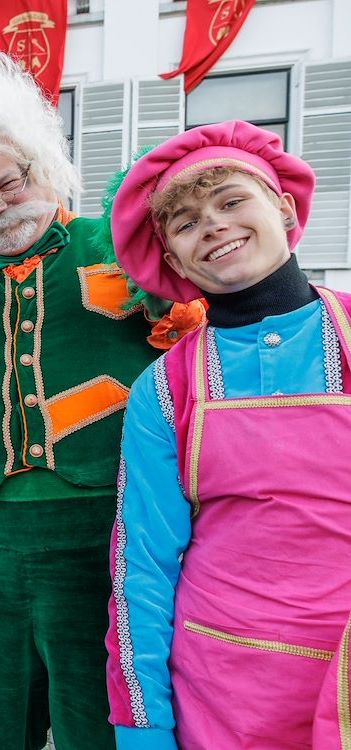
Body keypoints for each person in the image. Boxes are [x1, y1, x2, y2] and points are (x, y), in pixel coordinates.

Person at [0, 44, 204, 750]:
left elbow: (191, 351)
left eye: (9, 182)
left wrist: (169, 296)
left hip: (104, 544)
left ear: (43, 168)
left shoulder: (114, 253)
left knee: (105, 724)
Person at [105, 120, 351, 749]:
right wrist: (142, 725)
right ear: (171, 257)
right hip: (223, 697)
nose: (211, 224)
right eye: (184, 223)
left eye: (231, 200)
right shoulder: (164, 389)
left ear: (284, 206)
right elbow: (144, 569)